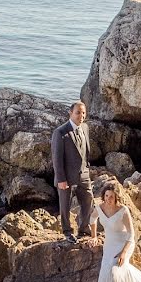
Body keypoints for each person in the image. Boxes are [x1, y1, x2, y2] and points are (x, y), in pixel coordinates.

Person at [50, 100, 94, 243]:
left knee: (88, 201)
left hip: (84, 174)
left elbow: (85, 150)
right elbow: (57, 158)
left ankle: (84, 229)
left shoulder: (85, 128)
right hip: (66, 177)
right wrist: (61, 179)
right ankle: (67, 232)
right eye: (77, 113)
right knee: (65, 205)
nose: (81, 116)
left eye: (83, 113)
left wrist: (87, 168)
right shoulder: (60, 132)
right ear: (70, 113)